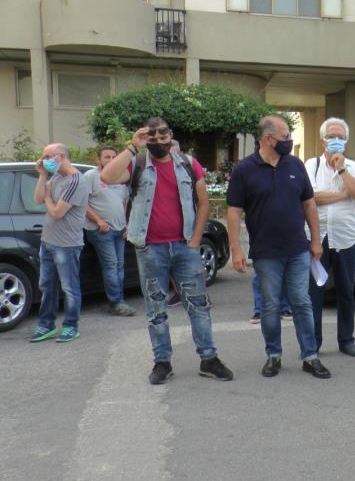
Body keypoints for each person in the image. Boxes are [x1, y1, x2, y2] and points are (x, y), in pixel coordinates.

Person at [101, 117, 233, 385]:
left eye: (163, 136)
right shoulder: (137, 163)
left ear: (171, 135)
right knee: (156, 308)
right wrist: (132, 146)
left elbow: (204, 204)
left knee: (198, 305)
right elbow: (107, 176)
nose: (159, 141)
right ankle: (162, 362)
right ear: (145, 138)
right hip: (151, 249)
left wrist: (195, 241)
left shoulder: (187, 164)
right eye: (152, 137)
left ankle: (209, 358)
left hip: (185, 246)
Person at [226, 115, 330, 379]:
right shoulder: (244, 170)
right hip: (265, 253)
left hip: (297, 249)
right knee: (270, 306)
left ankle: (310, 356)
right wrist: (236, 250)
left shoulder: (295, 164)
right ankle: (273, 355)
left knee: (302, 302)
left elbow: (309, 205)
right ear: (268, 139)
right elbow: (234, 212)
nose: (289, 141)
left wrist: (316, 240)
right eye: (285, 137)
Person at [305, 117, 355, 357]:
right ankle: (314, 343)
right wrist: (343, 195)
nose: (336, 141)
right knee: (315, 294)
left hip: (347, 238)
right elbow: (310, 198)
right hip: (317, 238)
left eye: (340, 137)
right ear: (323, 140)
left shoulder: (353, 167)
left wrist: (342, 170)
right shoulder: (311, 165)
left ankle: (346, 340)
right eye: (331, 136)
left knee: (346, 291)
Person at [29, 143, 91, 343]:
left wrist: (48, 196)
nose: (43, 159)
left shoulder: (76, 181)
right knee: (47, 285)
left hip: (67, 244)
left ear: (61, 156)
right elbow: (38, 199)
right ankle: (46, 324)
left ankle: (71, 326)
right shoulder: (55, 177)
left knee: (69, 287)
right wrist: (42, 175)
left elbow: (56, 213)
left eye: (48, 156)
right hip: (47, 241)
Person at [84, 146, 137, 318]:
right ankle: (116, 302)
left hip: (119, 230)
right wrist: (99, 221)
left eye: (114, 156)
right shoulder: (90, 177)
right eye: (107, 157)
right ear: (98, 160)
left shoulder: (120, 178)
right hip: (101, 231)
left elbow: (124, 202)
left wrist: (126, 224)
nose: (112, 160)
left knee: (119, 266)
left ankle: (118, 300)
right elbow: (81, 203)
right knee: (111, 266)